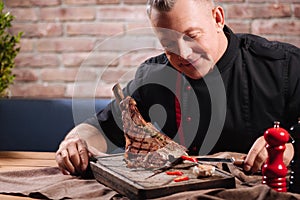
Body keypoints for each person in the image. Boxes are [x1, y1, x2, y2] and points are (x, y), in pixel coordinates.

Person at [56, 0, 299, 176]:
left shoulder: (283, 66)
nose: (182, 54)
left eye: (192, 36)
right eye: (168, 43)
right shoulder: (152, 76)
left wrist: (291, 147)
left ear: (217, 18)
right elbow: (102, 127)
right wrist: (75, 141)